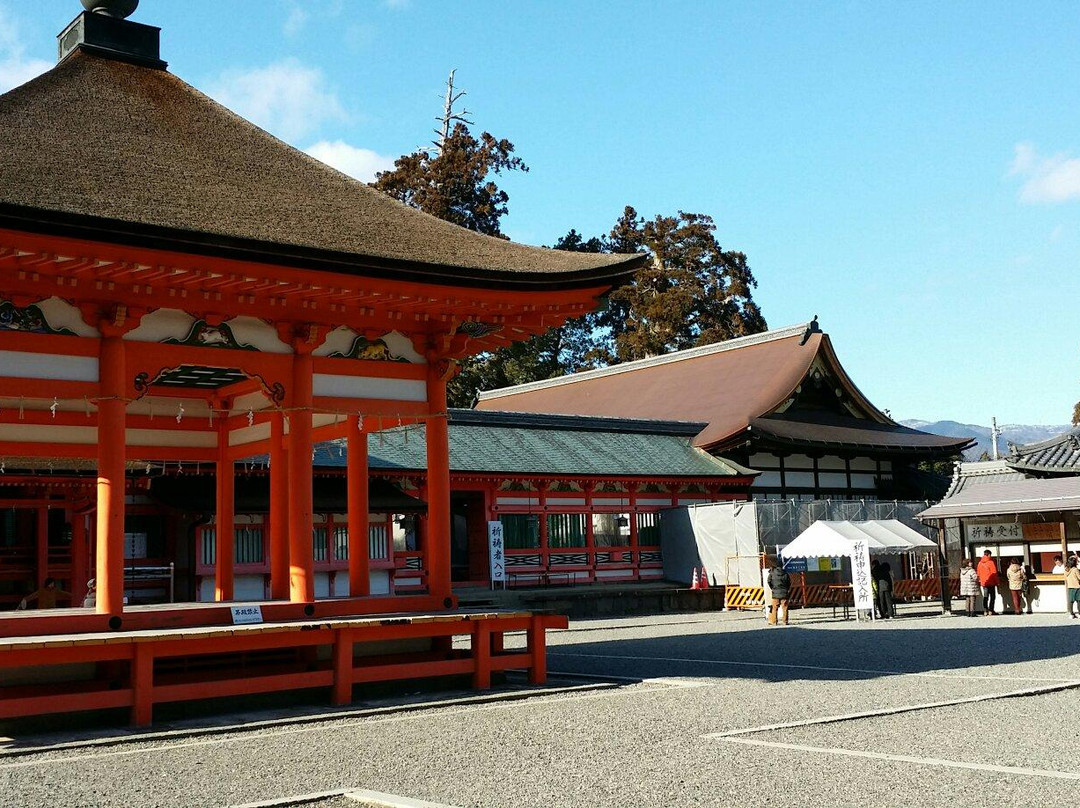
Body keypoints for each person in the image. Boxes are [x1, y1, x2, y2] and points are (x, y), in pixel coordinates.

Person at [766, 559, 791, 626]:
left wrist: (773, 588)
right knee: (785, 607)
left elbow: (768, 581)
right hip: (784, 592)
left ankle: (774, 622)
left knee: (774, 608)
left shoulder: (772, 573)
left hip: (775, 593)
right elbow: (789, 583)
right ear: (782, 565)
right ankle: (785, 621)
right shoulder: (785, 573)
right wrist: (786, 589)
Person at [977, 550, 1000, 616]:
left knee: (985, 597)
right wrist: (997, 582)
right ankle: (991, 610)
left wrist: (980, 581)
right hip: (991, 582)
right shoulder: (991, 562)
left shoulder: (980, 563)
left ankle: (985, 610)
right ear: (989, 555)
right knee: (992, 597)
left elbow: (978, 573)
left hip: (984, 583)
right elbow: (994, 573)